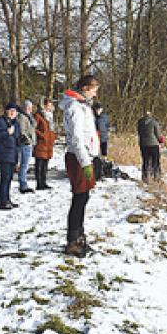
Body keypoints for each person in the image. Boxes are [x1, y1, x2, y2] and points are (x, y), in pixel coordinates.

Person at [59, 75, 101, 257]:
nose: (96, 93)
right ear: (84, 88)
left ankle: (79, 235)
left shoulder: (84, 106)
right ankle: (72, 240)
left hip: (86, 155)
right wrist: (85, 162)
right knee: (79, 198)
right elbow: (76, 138)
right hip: (78, 157)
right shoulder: (75, 107)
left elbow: (89, 133)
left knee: (83, 198)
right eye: (94, 89)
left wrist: (95, 157)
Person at [0, 102, 21, 210]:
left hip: (13, 154)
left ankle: (7, 199)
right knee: (5, 178)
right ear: (6, 111)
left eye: (14, 111)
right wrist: (7, 132)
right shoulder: (0, 121)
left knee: (9, 179)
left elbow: (17, 137)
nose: (12, 113)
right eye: (11, 111)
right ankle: (3, 202)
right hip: (4, 153)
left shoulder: (15, 123)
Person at [33, 98, 56, 190]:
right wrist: (42, 135)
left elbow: (51, 129)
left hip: (49, 144)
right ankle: (39, 183)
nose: (50, 107)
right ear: (44, 105)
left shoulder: (50, 116)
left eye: (51, 105)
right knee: (39, 164)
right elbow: (33, 128)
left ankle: (44, 182)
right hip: (41, 143)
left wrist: (53, 136)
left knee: (45, 164)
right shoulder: (38, 115)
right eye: (48, 105)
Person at [15, 100, 37, 194]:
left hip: (29, 143)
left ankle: (24, 183)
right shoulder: (21, 117)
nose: (30, 109)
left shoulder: (28, 116)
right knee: (24, 165)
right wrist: (28, 139)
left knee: (25, 165)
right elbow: (22, 131)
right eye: (28, 107)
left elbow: (34, 125)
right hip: (25, 144)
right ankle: (23, 184)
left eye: (31, 108)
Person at [137, 110, 162, 182]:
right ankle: (156, 177)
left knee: (145, 161)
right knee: (155, 161)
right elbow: (157, 134)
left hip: (143, 144)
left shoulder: (140, 122)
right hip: (153, 144)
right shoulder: (154, 122)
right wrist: (160, 140)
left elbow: (139, 132)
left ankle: (145, 177)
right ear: (150, 115)